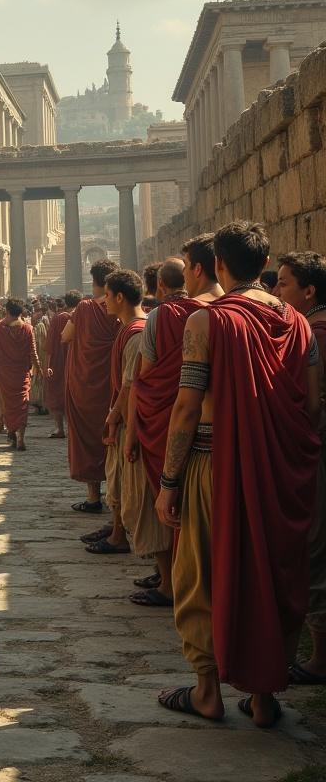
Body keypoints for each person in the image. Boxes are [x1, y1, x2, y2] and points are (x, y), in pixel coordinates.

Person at [155, 222, 320, 727]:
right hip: (284, 469)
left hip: (213, 466)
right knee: (275, 574)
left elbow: (186, 408)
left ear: (219, 265)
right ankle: (265, 697)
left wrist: (168, 482)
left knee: (200, 574)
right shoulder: (299, 322)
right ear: (265, 263)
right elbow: (312, 407)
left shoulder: (207, 323)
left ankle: (207, 690)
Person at [127, 243, 221, 607]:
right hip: (229, 430)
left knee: (170, 504)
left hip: (176, 429)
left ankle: (174, 584)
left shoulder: (166, 318)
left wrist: (132, 431)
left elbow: (146, 381)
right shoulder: (234, 313)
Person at [276, 251, 326, 686]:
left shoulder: (314, 334)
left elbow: (309, 404)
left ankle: (319, 658)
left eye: (286, 283)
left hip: (315, 455)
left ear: (309, 291)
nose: (278, 290)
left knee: (314, 550)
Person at [88, 270, 146, 556]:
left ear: (120, 297)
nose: (103, 301)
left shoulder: (138, 332)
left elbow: (130, 384)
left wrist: (114, 416)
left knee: (124, 478)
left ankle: (120, 535)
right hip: (123, 414)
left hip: (128, 418)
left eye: (107, 296)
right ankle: (116, 529)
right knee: (117, 477)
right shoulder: (129, 328)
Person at [63, 260, 121, 515]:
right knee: (114, 436)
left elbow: (65, 336)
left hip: (86, 384)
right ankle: (117, 494)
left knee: (88, 438)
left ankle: (93, 496)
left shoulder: (84, 308)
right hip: (113, 385)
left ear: (94, 280)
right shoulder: (120, 308)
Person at [0, 298, 42, 451]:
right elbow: (33, 352)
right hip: (21, 373)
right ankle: (20, 437)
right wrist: (38, 368)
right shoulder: (27, 329)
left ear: (6, 311)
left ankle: (12, 432)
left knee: (8, 405)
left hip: (5, 373)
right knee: (22, 404)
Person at [45, 295, 74, 439]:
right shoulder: (83, 315)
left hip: (58, 361)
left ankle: (60, 428)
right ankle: (73, 429)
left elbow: (50, 342)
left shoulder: (58, 318)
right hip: (77, 362)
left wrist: (47, 364)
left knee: (57, 393)